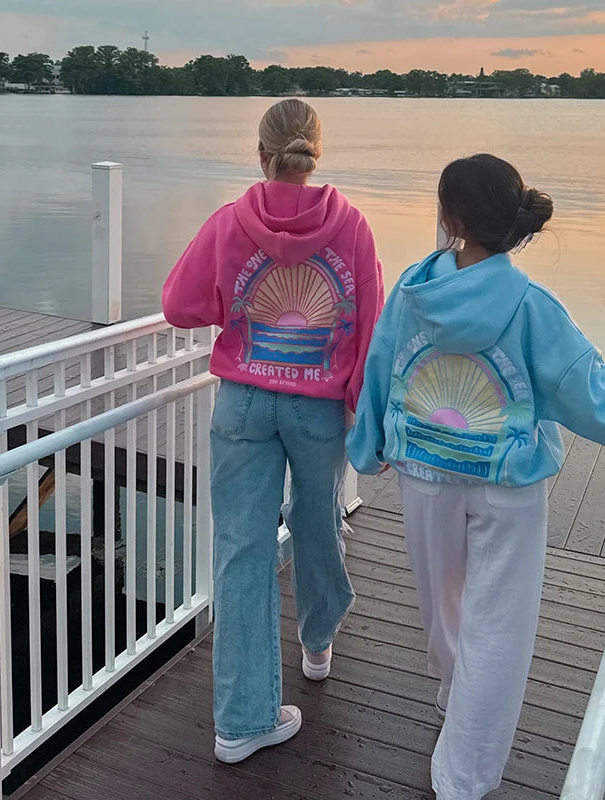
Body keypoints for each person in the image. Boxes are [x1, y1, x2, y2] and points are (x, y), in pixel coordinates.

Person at [346, 153, 605, 800]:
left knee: (445, 613)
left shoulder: (411, 292)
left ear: (449, 218)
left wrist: (368, 445)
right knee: (497, 632)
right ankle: (462, 777)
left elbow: (381, 367)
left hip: (422, 473)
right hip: (505, 487)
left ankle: (454, 708)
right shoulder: (532, 309)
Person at [162, 98, 384, 764]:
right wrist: (354, 403)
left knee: (240, 549)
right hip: (317, 409)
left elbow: (179, 304)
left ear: (261, 155)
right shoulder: (353, 227)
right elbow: (369, 325)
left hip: (242, 404)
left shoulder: (231, 221)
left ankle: (242, 720)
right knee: (318, 523)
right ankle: (318, 642)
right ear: (316, 154)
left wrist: (229, 300)